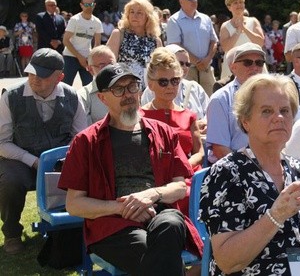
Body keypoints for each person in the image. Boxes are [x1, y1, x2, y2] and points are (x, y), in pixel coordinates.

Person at [199, 73, 300, 275]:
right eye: (266, 111)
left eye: (284, 111)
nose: (278, 117)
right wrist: (276, 215)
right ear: (246, 121)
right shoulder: (227, 173)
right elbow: (228, 262)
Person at [57, 63, 203, 274]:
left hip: (160, 212)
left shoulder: (164, 133)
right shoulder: (86, 142)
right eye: (118, 89)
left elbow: (180, 187)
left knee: (171, 224)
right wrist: (122, 207)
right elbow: (74, 204)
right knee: (150, 252)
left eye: (132, 86)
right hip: (112, 224)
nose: (128, 94)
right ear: (102, 98)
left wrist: (151, 195)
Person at [0, 48, 87, 254]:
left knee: (86, 175)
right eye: (31, 72)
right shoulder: (10, 97)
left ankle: (71, 228)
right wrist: (33, 161)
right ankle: (12, 232)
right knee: (10, 181)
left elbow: (81, 138)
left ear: (60, 77)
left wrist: (66, 159)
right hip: (20, 159)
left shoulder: (73, 97)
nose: (34, 79)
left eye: (42, 75)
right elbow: (2, 142)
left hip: (62, 160)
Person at [141, 47, 205, 215]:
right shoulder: (140, 117)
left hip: (187, 177)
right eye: (163, 82)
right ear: (151, 84)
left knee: (193, 195)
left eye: (175, 81)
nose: (170, 86)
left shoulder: (189, 116)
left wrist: (181, 168)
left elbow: (199, 152)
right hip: (153, 180)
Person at [206, 43, 265, 163]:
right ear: (233, 68)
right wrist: (249, 172)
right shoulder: (221, 99)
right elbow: (220, 149)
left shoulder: (273, 96)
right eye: (248, 62)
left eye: (259, 63)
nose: (254, 67)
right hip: (234, 170)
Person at [142, 45, 209, 134]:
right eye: (180, 63)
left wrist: (204, 123)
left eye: (187, 64)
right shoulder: (150, 91)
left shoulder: (195, 87)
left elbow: (209, 112)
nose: (184, 67)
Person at [166, 0, 218, 96]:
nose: (194, 0)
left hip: (206, 67)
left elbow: (214, 41)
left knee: (211, 98)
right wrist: (196, 62)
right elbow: (175, 45)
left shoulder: (205, 19)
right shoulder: (174, 20)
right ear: (181, 1)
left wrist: (207, 59)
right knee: (188, 99)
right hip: (186, 69)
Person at [107, 0, 163, 84]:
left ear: (148, 17)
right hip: (123, 87)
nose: (134, 16)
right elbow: (108, 63)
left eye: (139, 13)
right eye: (132, 12)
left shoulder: (156, 41)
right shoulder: (118, 34)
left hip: (148, 90)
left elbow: (160, 68)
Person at [219, 0, 264, 79]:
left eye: (241, 2)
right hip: (233, 64)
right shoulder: (225, 26)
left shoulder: (253, 21)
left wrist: (244, 28)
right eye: (235, 3)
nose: (239, 5)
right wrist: (238, 31)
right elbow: (226, 47)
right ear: (229, 7)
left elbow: (260, 42)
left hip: (254, 62)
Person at [62, 0, 103, 86]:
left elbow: (97, 44)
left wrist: (92, 58)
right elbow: (66, 40)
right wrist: (79, 56)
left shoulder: (97, 22)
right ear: (81, 5)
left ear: (94, 5)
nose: (89, 6)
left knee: (88, 86)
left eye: (91, 4)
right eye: (86, 4)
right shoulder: (75, 20)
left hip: (87, 58)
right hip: (70, 56)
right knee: (65, 86)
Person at [77, 45, 116, 125]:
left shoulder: (127, 89)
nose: (108, 69)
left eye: (111, 64)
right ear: (91, 69)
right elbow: (86, 130)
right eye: (102, 65)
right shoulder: (83, 96)